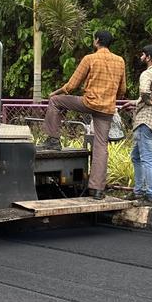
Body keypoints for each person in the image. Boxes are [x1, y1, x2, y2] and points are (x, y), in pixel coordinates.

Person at [41, 30, 127, 200]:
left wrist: (54, 93)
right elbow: (122, 90)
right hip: (107, 108)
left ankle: (53, 140)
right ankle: (97, 190)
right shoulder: (120, 61)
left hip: (88, 102)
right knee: (101, 146)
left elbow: (71, 85)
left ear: (97, 41)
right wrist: (110, 98)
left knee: (56, 102)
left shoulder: (90, 58)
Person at [123, 44, 152, 206]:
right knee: (136, 156)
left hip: (145, 121)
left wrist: (147, 101)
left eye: (143, 55)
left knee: (147, 159)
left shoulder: (147, 74)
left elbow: (144, 92)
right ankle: (138, 191)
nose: (141, 57)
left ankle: (151, 195)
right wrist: (136, 102)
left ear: (148, 57)